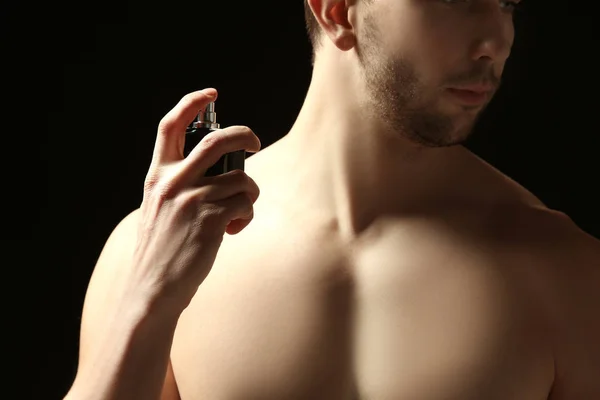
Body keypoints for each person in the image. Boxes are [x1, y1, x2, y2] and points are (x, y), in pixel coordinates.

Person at [64, 0, 600, 399]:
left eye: (507, 3)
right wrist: (149, 297)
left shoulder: (563, 270)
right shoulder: (156, 248)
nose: (497, 39)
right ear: (338, 11)